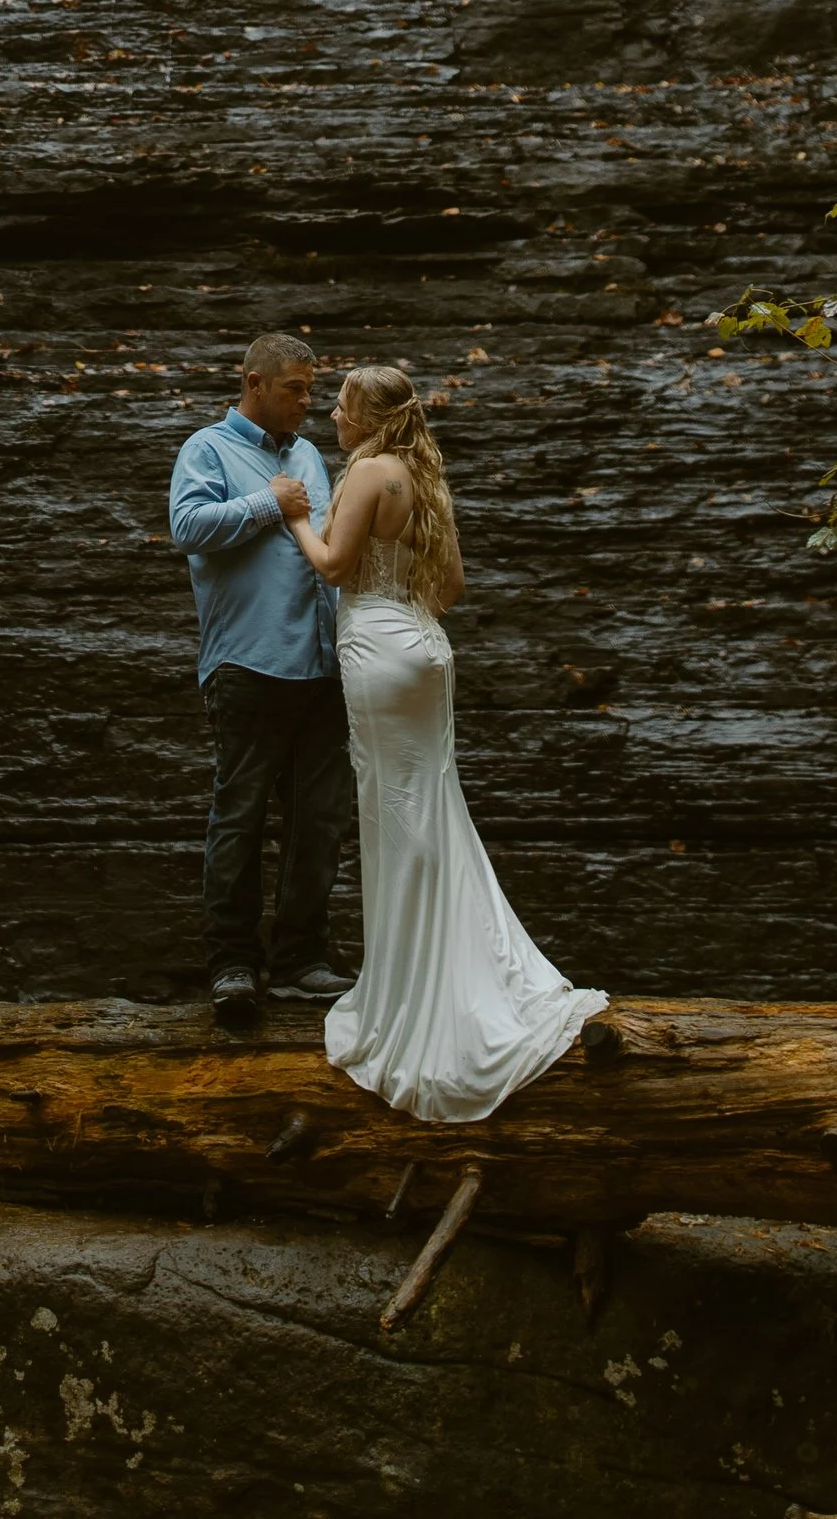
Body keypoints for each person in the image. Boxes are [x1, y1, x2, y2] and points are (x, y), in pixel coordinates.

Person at [284, 360, 604, 1121]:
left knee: (394, 817)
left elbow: (331, 566)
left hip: (376, 650)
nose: (331, 415)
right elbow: (451, 585)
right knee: (432, 806)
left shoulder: (369, 472)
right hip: (424, 648)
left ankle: (415, 998)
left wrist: (292, 511)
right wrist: (404, 611)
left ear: (369, 416)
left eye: (341, 406)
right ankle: (457, 966)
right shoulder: (424, 476)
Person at [167, 329, 356, 1029]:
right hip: (247, 664)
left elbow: (328, 546)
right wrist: (266, 504)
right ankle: (232, 965)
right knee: (240, 816)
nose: (308, 403)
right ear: (254, 383)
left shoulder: (308, 454)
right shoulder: (206, 450)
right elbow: (186, 526)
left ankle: (304, 959)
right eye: (295, 390)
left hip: (322, 665)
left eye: (312, 390)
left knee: (321, 820)